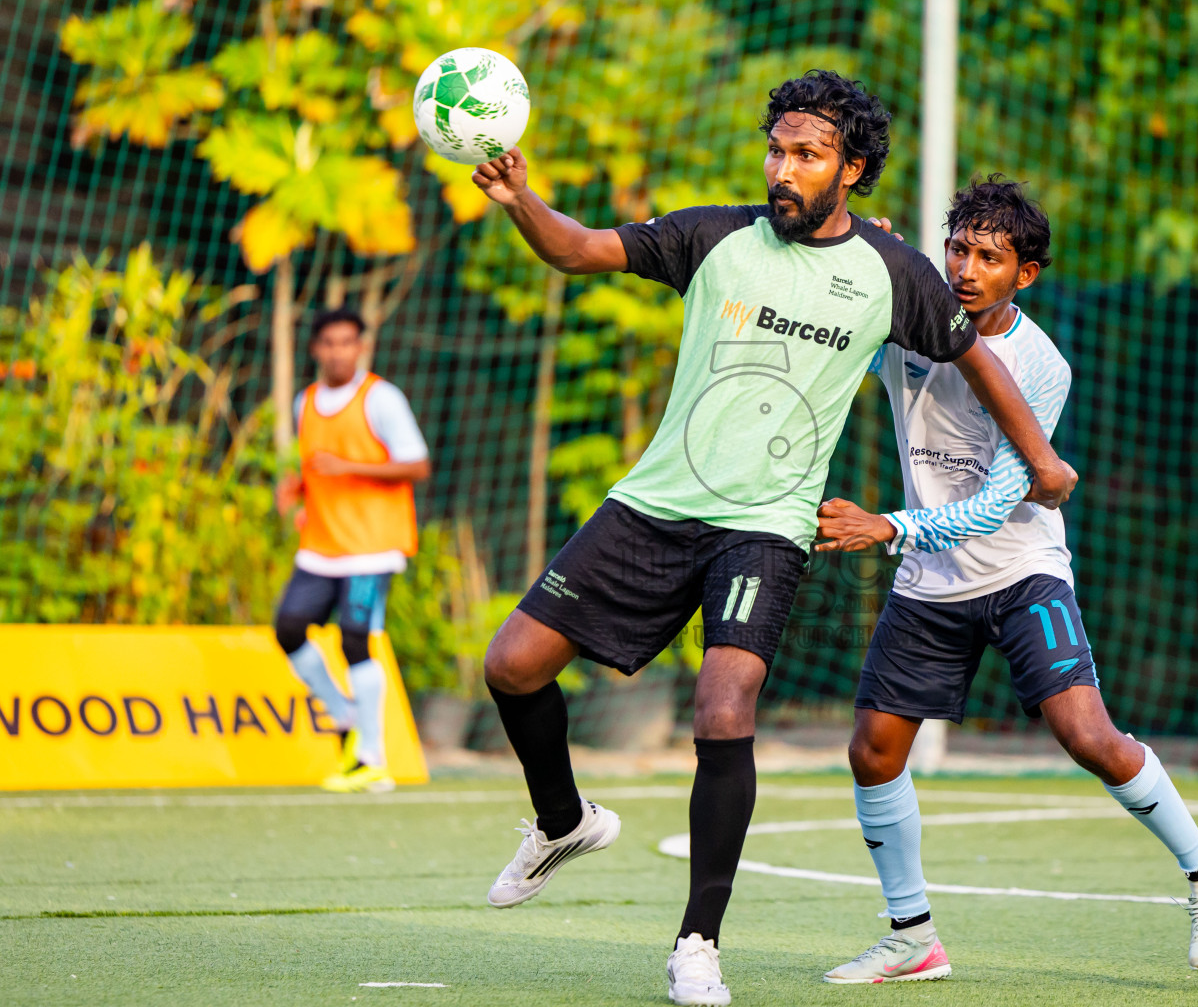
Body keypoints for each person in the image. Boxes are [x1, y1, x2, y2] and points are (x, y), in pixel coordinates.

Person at [469, 71, 1079, 1006]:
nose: (782, 169)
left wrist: (1040, 457)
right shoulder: (712, 234)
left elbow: (983, 364)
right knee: (511, 667)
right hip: (655, 504)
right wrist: (520, 200)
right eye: (777, 149)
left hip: (765, 527)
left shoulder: (894, 274)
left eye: (807, 154)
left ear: (853, 169)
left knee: (725, 704)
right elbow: (581, 249)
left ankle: (697, 945)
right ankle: (563, 821)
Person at [814, 177, 1198, 984]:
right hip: (929, 583)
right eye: (957, 249)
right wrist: (858, 255)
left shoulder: (1041, 366)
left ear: (1027, 273)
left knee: (1088, 737)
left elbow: (993, 508)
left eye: (990, 256)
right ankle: (912, 937)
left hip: (1022, 574)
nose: (967, 269)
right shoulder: (913, 322)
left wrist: (885, 527)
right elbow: (844, 323)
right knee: (873, 753)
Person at [273, 308, 430, 794]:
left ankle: (371, 759)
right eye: (329, 342)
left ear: (361, 346)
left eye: (347, 342)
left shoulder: (381, 398)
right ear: (315, 349)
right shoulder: (306, 401)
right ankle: (343, 713)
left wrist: (350, 467)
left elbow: (417, 465)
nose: (338, 351)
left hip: (371, 546)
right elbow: (316, 464)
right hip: (321, 545)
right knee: (289, 627)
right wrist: (296, 489)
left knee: (355, 638)